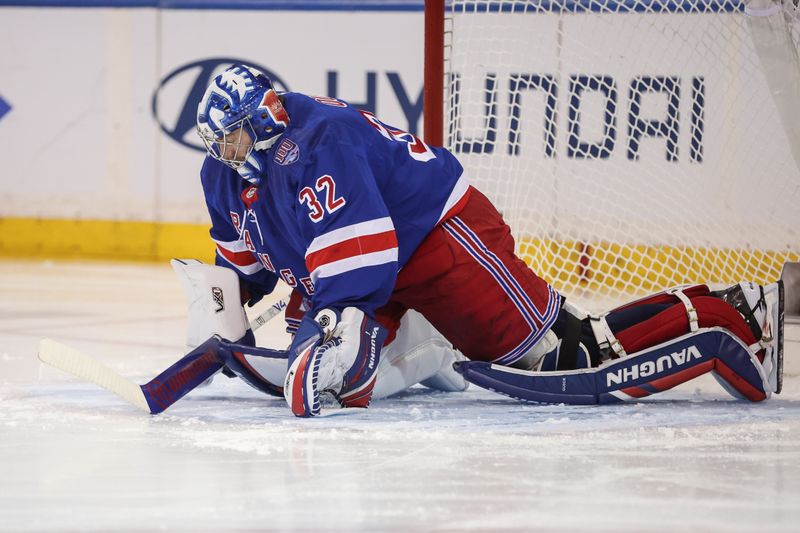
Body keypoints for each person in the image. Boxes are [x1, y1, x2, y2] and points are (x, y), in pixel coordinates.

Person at [194, 64, 784, 417]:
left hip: (437, 239)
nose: (226, 154)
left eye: (235, 140)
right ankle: (435, 342)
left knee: (567, 355)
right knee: (340, 372)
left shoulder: (320, 141)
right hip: (374, 263)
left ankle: (731, 311)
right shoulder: (223, 174)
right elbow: (245, 263)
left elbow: (360, 260)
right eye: (219, 144)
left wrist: (314, 328)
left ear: (265, 119)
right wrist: (224, 316)